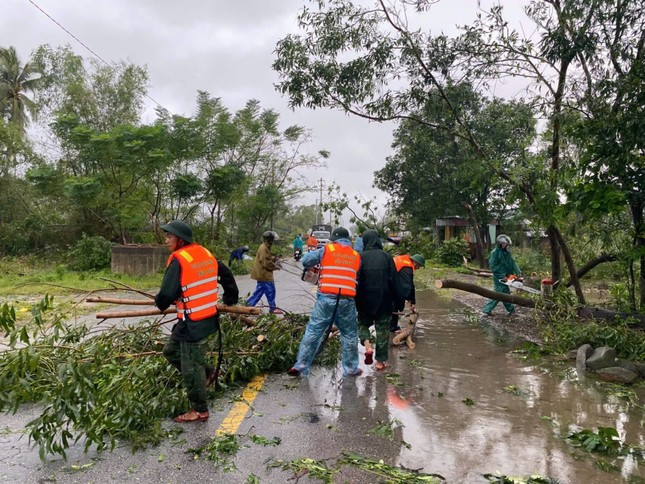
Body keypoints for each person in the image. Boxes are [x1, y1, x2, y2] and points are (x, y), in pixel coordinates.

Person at [155, 220, 239, 423]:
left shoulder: (179, 259)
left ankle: (200, 410)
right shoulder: (205, 253)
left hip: (193, 323)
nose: (166, 240)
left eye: (169, 237)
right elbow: (226, 274)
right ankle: (209, 373)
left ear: (180, 239)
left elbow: (166, 294)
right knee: (170, 351)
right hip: (203, 319)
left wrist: (161, 302)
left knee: (191, 368)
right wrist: (231, 297)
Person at [288, 227, 362, 377]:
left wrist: (317, 266)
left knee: (314, 331)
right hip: (347, 301)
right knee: (349, 335)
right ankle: (350, 369)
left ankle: (301, 365)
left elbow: (306, 261)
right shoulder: (356, 255)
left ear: (333, 240)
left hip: (326, 298)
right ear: (348, 240)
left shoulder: (327, 249)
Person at [355, 229, 400, 371]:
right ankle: (380, 362)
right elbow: (395, 280)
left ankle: (368, 346)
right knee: (382, 331)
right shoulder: (387, 257)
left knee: (362, 325)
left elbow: (356, 280)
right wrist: (398, 301)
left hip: (364, 300)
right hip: (384, 300)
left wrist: (355, 299)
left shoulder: (360, 257)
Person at [482, 234, 522, 316]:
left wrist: (518, 272)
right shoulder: (495, 253)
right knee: (498, 293)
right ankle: (487, 310)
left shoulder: (507, 253)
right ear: (499, 243)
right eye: (503, 243)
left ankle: (511, 311)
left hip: (507, 275)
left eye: (505, 244)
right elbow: (493, 266)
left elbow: (512, 262)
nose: (504, 245)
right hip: (498, 276)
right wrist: (501, 276)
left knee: (505, 293)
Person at [247, 231, 282, 314]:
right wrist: (276, 267)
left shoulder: (265, 247)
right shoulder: (264, 248)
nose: (273, 242)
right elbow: (266, 263)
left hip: (261, 274)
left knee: (258, 292)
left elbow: (267, 258)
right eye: (272, 240)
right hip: (264, 274)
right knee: (271, 290)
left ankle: (247, 306)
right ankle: (273, 308)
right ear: (268, 240)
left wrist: (274, 258)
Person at [390, 253, 425, 332]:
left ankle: (392, 326)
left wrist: (412, 301)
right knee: (394, 304)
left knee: (395, 305)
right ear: (415, 262)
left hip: (388, 282)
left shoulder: (404, 261)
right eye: (419, 266)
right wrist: (408, 299)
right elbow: (407, 286)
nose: (418, 268)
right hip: (389, 286)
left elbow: (411, 285)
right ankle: (392, 328)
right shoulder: (407, 268)